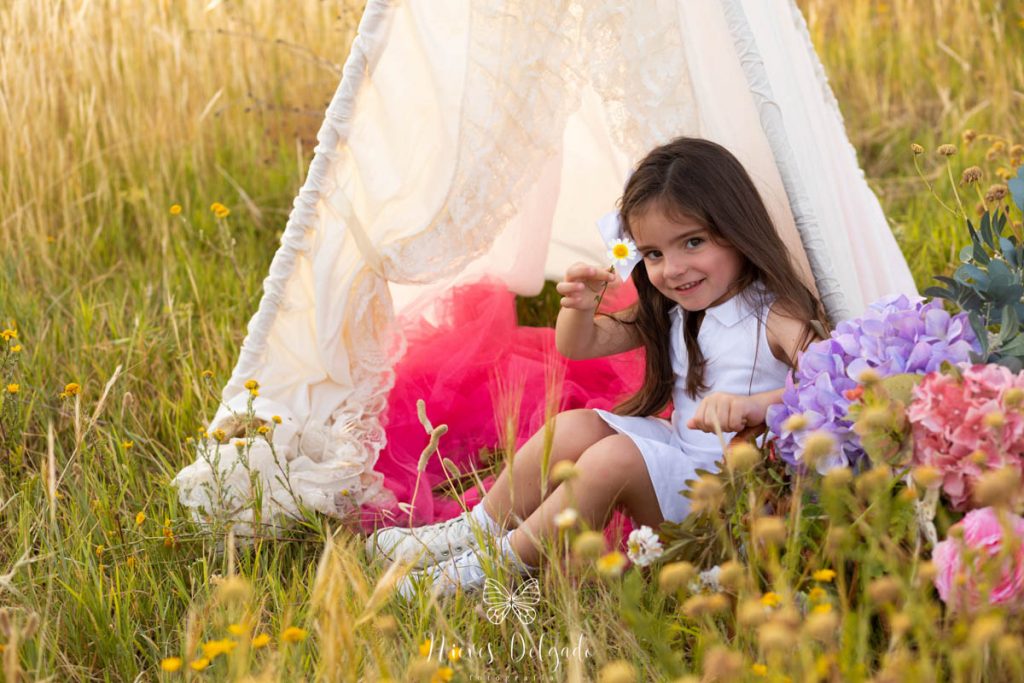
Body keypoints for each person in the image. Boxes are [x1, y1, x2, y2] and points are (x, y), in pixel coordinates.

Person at [366, 137, 827, 597]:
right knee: (574, 427)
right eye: (654, 254)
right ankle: (474, 532)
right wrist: (580, 309)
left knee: (613, 460)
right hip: (686, 463)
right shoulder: (676, 309)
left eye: (693, 242)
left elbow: (827, 382)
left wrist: (756, 405)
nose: (673, 269)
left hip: (736, 501)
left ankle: (493, 569)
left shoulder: (775, 313)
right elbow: (579, 346)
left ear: (737, 228)